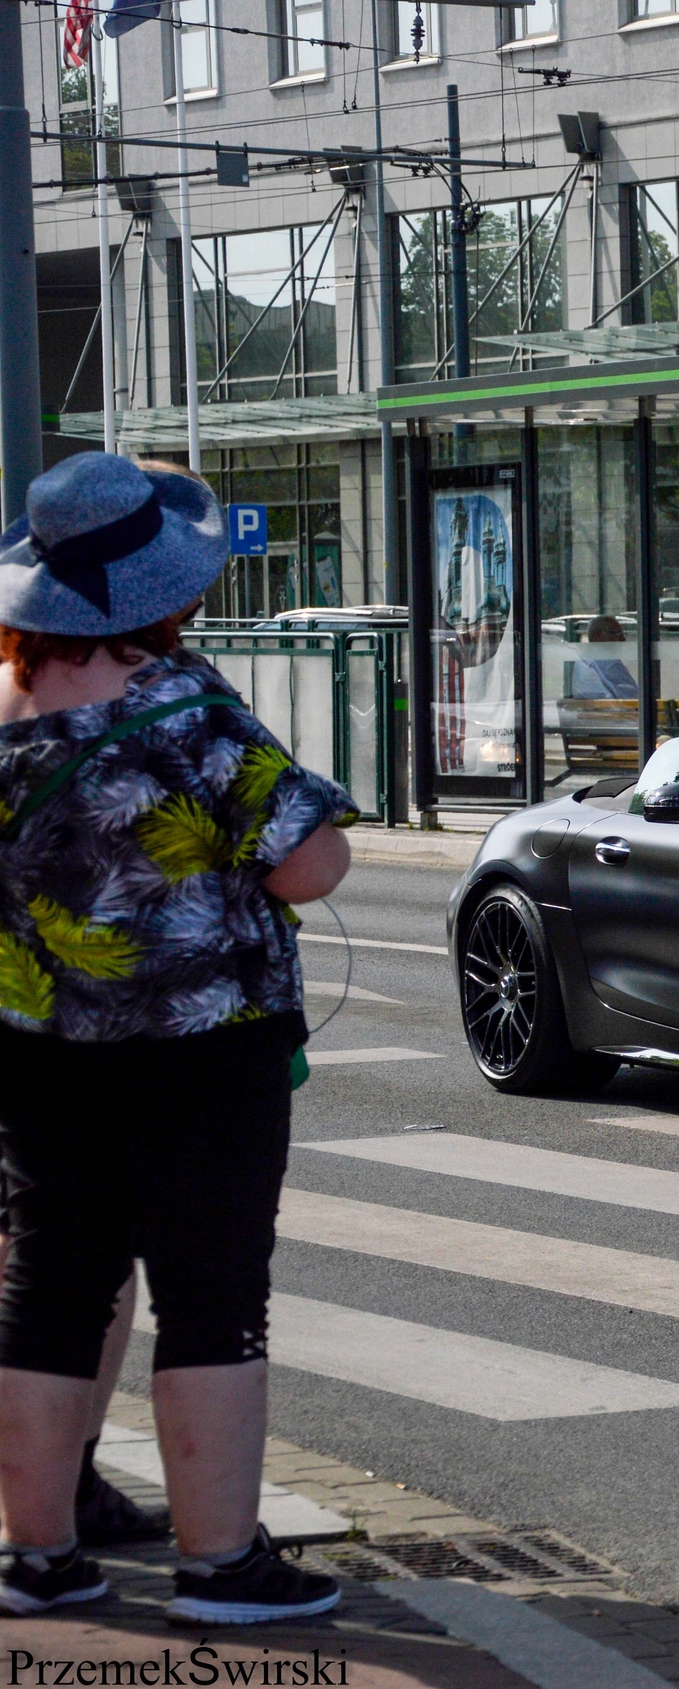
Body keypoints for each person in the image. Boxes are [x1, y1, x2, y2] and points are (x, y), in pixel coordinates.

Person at [0, 453, 355, 1626]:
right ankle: (219, 1567)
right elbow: (308, 861)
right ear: (164, 588)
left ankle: (39, 1560)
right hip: (203, 1051)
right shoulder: (183, 709)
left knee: (49, 1292)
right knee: (211, 1299)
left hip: (40, 1044)